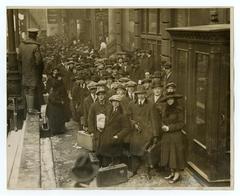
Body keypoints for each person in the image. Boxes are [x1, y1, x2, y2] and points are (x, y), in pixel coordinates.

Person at [127, 85, 160, 175]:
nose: (141, 96)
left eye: (142, 94)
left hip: (147, 132)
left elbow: (154, 120)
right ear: (136, 95)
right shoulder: (131, 104)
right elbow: (128, 117)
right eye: (139, 94)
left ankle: (147, 171)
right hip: (135, 132)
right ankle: (134, 170)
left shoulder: (151, 105)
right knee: (134, 151)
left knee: (146, 152)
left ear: (145, 94)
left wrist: (155, 135)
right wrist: (133, 124)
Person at [159, 88, 185, 183]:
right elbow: (162, 120)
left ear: (174, 99)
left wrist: (169, 128)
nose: (170, 101)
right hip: (166, 135)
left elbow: (181, 124)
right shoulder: (165, 108)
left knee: (175, 155)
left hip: (175, 136)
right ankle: (172, 172)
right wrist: (162, 126)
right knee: (168, 154)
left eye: (171, 99)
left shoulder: (179, 109)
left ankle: (177, 174)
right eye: (168, 99)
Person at [98, 95, 131, 165]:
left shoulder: (123, 114)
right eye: (113, 102)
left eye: (117, 102)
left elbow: (127, 128)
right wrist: (100, 126)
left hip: (115, 139)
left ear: (119, 103)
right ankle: (105, 169)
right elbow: (102, 119)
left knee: (115, 158)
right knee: (105, 157)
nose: (115, 104)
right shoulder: (107, 110)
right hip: (106, 137)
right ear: (111, 103)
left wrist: (118, 136)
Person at [19, 28, 44, 114]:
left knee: (26, 88)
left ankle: (28, 107)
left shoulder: (21, 45)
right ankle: (30, 109)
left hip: (24, 71)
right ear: (35, 35)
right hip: (33, 71)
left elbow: (19, 58)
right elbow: (39, 61)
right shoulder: (35, 46)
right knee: (32, 89)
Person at [88, 88, 112, 166]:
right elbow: (90, 119)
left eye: (102, 95)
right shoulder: (94, 106)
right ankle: (98, 165)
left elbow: (111, 117)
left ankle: (106, 165)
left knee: (106, 147)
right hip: (97, 130)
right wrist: (91, 131)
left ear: (105, 95)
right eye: (99, 95)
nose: (101, 96)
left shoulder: (109, 105)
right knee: (98, 147)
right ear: (97, 96)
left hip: (107, 130)